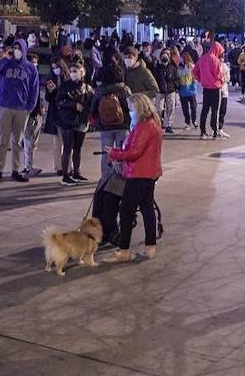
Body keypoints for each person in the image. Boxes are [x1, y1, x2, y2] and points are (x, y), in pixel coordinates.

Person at [105, 93, 163, 264]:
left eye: (131, 108)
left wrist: (114, 153)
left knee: (126, 211)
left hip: (139, 174)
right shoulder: (152, 123)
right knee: (147, 209)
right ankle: (150, 247)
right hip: (149, 173)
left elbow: (134, 152)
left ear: (139, 107)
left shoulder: (145, 127)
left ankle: (124, 250)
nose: (129, 111)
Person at [0, 39, 39, 184]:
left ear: (24, 50)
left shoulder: (30, 68)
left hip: (21, 110)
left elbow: (34, 90)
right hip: (4, 107)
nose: (16, 50)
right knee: (2, 141)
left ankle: (15, 170)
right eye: (14, 47)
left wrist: (29, 108)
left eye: (19, 48)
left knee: (17, 142)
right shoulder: (6, 64)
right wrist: (4, 58)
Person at [51, 61, 94, 185]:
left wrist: (87, 112)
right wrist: (73, 105)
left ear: (82, 73)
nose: (73, 74)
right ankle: (65, 175)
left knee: (78, 148)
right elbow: (58, 101)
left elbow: (91, 103)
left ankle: (76, 172)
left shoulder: (87, 88)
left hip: (81, 121)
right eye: (71, 71)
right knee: (67, 147)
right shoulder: (64, 86)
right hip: (66, 120)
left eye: (76, 71)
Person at [92, 64, 133, 174]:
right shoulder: (124, 89)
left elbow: (93, 110)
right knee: (122, 152)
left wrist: (98, 120)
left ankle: (106, 178)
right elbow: (130, 107)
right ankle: (122, 176)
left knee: (106, 153)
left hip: (105, 126)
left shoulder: (100, 90)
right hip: (122, 126)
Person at [193, 41, 225, 140]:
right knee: (215, 110)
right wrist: (222, 80)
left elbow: (194, 71)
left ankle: (203, 131)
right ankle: (215, 131)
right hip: (215, 88)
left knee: (205, 110)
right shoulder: (215, 60)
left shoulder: (202, 58)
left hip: (206, 88)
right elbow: (219, 75)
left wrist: (201, 80)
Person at [153, 50, 180, 133]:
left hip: (170, 91)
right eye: (163, 55)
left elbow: (177, 79)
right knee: (159, 109)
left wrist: (175, 86)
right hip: (160, 91)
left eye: (167, 55)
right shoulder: (157, 67)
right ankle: (158, 124)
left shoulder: (172, 67)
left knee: (170, 108)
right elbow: (153, 78)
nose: (165, 57)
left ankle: (168, 125)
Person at [177, 53, 197, 128]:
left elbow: (195, 78)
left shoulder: (192, 66)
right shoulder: (179, 67)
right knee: (185, 108)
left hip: (191, 90)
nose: (181, 59)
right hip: (183, 91)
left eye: (182, 58)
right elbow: (178, 77)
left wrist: (194, 88)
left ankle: (194, 120)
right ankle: (187, 122)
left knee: (193, 107)